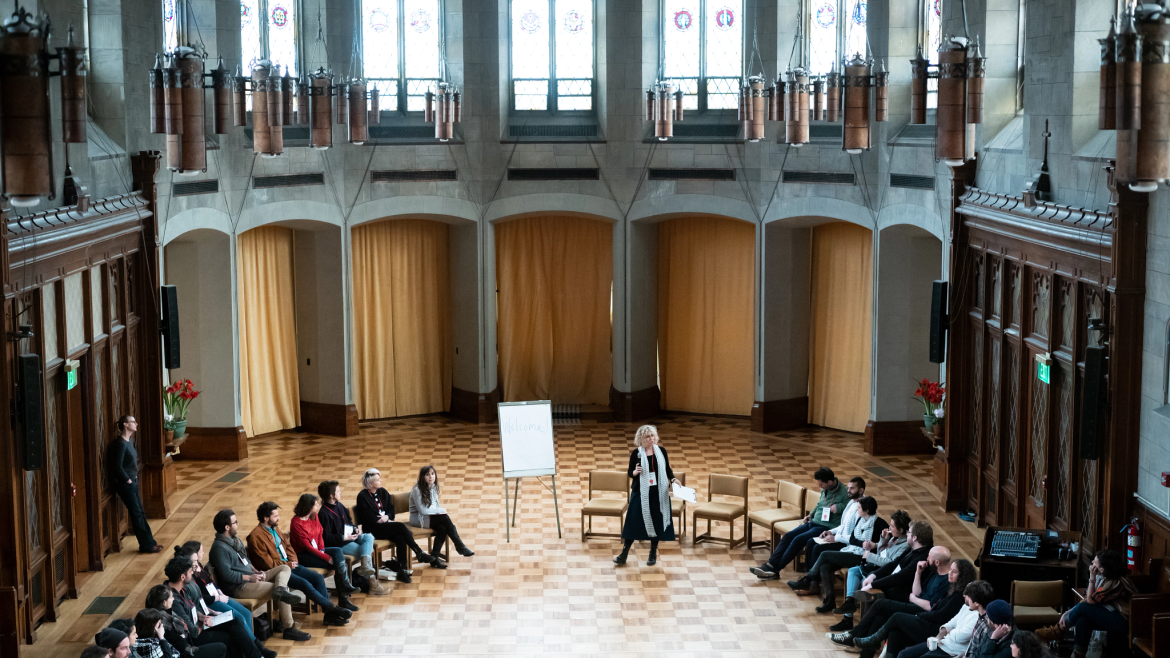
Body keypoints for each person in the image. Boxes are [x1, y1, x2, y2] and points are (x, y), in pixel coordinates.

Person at [826, 522, 940, 647]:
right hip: (895, 590)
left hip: (905, 596)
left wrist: (874, 585)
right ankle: (861, 644)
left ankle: (854, 636)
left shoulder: (922, 556)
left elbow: (900, 577)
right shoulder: (911, 549)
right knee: (878, 615)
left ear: (915, 537)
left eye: (909, 532)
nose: (906, 534)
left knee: (878, 603)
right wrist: (873, 576)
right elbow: (893, 564)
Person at [207, 509, 310, 642]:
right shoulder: (219, 548)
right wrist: (250, 577)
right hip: (240, 587)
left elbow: (245, 561)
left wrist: (255, 571)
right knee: (282, 589)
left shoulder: (234, 540)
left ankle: (280, 591)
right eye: (235, 522)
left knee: (284, 568)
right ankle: (289, 628)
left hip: (252, 577)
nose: (237, 524)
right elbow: (227, 575)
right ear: (227, 527)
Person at [247, 500, 355, 625]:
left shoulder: (274, 528)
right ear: (266, 518)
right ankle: (332, 609)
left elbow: (288, 546)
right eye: (275, 516)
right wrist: (288, 564)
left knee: (318, 577)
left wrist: (293, 560)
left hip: (291, 565)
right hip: (278, 572)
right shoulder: (255, 537)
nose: (279, 518)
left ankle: (329, 614)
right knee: (305, 583)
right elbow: (267, 563)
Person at [849, 559, 977, 658]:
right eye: (951, 570)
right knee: (895, 634)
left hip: (933, 628)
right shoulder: (953, 591)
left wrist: (919, 615)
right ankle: (873, 641)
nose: (950, 573)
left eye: (954, 572)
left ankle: (874, 640)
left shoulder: (959, 597)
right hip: (929, 621)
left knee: (897, 616)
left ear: (963, 576)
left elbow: (940, 615)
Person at [750, 466, 852, 580]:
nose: (819, 486)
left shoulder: (844, 492)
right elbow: (819, 504)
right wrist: (811, 515)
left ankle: (775, 570)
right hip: (813, 522)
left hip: (826, 526)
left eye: (821, 484)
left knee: (798, 540)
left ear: (830, 481)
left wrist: (839, 507)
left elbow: (850, 508)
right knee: (789, 535)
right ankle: (770, 564)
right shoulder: (825, 488)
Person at [789, 494, 886, 612]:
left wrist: (872, 545)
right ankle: (830, 601)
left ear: (867, 510)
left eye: (859, 508)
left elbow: (882, 548)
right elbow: (852, 539)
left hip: (864, 557)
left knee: (825, 554)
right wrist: (861, 543)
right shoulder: (860, 519)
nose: (857, 509)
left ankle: (808, 579)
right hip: (852, 551)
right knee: (825, 567)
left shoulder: (880, 524)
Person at [163, 557, 269, 658]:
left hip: (201, 623)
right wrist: (203, 621)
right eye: (190, 572)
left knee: (235, 621)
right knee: (230, 637)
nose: (192, 574)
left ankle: (257, 655)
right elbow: (193, 632)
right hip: (195, 636)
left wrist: (202, 616)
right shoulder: (173, 600)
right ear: (182, 577)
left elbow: (193, 608)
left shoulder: (182, 588)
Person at [1034, 548, 1127, 658]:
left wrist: (1092, 577)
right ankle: (1078, 654)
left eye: (1095, 562)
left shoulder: (1115, 583)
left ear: (1101, 569)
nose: (1092, 562)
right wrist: (1068, 612)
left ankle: (1058, 630)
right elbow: (1087, 600)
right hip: (1112, 614)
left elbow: (1090, 602)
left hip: (1122, 620)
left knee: (1083, 608)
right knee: (1082, 620)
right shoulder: (1104, 578)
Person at [831, 509, 912, 631]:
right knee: (853, 571)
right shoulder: (894, 537)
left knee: (863, 583)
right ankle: (849, 607)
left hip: (884, 574)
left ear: (901, 530)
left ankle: (860, 626)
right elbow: (882, 553)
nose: (889, 528)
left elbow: (890, 563)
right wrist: (883, 541)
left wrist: (870, 556)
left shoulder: (905, 545)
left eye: (892, 526)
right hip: (876, 568)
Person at [355, 468, 443, 578]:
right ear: (370, 483)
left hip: (385, 525)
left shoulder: (383, 492)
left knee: (400, 537)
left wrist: (387, 517)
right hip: (373, 529)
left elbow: (391, 509)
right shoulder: (362, 496)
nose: (381, 481)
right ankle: (418, 552)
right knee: (400, 526)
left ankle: (403, 569)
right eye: (378, 480)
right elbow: (366, 517)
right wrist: (379, 519)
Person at [614, 424, 681, 567]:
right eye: (647, 436)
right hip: (641, 492)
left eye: (652, 436)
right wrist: (635, 472)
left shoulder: (661, 451)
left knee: (656, 522)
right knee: (633, 522)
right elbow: (629, 472)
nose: (651, 439)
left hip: (658, 493)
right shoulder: (636, 453)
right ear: (642, 439)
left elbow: (667, 469)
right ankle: (624, 554)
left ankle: (652, 553)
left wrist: (673, 479)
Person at [288, 493, 363, 605]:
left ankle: (344, 589)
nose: (318, 505)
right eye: (315, 504)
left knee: (338, 551)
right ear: (308, 506)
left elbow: (320, 533)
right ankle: (343, 598)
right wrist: (326, 557)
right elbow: (307, 546)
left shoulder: (314, 516)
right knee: (338, 564)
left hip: (317, 550)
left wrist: (322, 549)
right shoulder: (296, 523)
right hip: (304, 555)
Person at [315, 480, 386, 595]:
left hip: (350, 537)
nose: (340, 492)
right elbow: (326, 538)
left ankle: (365, 568)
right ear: (331, 495)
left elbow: (349, 522)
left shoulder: (340, 505)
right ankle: (372, 583)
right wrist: (344, 537)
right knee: (365, 551)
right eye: (338, 491)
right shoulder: (324, 514)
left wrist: (355, 529)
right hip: (340, 544)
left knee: (369, 537)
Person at [173, 542, 255, 639]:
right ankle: (252, 645)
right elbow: (200, 598)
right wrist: (217, 598)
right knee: (240, 619)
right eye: (201, 551)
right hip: (211, 601)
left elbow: (210, 580)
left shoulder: (198, 565)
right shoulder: (189, 576)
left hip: (218, 596)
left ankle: (253, 642)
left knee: (247, 614)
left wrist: (219, 591)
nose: (203, 553)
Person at [896, 579, 996, 658]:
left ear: (977, 602)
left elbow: (959, 637)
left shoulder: (979, 619)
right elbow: (952, 623)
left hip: (951, 651)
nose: (964, 595)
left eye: (968, 595)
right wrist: (939, 637)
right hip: (943, 643)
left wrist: (949, 632)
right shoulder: (967, 606)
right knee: (903, 654)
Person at [107, 416, 160, 553]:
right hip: (126, 485)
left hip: (133, 482)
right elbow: (117, 466)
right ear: (125, 424)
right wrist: (128, 480)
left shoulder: (130, 441)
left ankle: (150, 542)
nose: (136, 424)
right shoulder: (120, 443)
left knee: (141, 513)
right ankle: (146, 546)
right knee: (136, 514)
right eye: (132, 422)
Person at [145, 583, 227, 658]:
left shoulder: (166, 612)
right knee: (221, 647)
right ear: (164, 603)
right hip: (185, 653)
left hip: (188, 644)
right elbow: (182, 645)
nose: (173, 599)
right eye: (171, 597)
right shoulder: (163, 624)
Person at [409, 466, 475, 559]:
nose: (431, 477)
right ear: (422, 476)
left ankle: (434, 558)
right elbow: (423, 511)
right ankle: (459, 545)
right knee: (445, 518)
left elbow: (435, 506)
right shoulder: (417, 490)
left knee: (443, 528)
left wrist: (439, 511)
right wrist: (441, 511)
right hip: (418, 519)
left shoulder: (434, 486)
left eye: (432, 474)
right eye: (427, 475)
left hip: (431, 517)